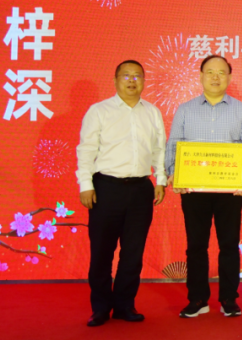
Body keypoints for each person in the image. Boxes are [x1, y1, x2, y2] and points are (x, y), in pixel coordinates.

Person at [76, 60, 168, 327]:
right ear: (115, 80)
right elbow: (86, 149)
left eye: (137, 76)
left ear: (144, 81)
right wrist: (85, 185)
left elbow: (159, 149)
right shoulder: (99, 111)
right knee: (102, 252)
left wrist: (160, 180)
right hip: (106, 188)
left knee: (133, 254)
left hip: (140, 189)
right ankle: (100, 308)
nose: (132, 80)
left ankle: (125, 305)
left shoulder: (152, 112)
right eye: (126, 75)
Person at [165, 54, 242, 318]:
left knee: (229, 244)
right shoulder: (185, 109)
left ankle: (229, 298)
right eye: (210, 72)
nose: (215, 77)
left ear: (229, 77)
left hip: (230, 189)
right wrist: (174, 174)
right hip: (194, 189)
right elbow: (174, 144)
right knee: (196, 245)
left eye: (221, 73)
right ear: (201, 76)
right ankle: (197, 299)